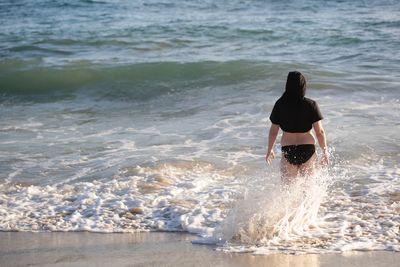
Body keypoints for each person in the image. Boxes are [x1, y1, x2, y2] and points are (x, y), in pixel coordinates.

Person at [265, 71, 329, 182]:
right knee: (308, 187)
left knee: (288, 188)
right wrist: (325, 151)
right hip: (307, 148)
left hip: (288, 149)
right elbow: (320, 132)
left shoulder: (280, 104)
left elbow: (273, 131)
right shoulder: (311, 105)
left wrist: (270, 149)